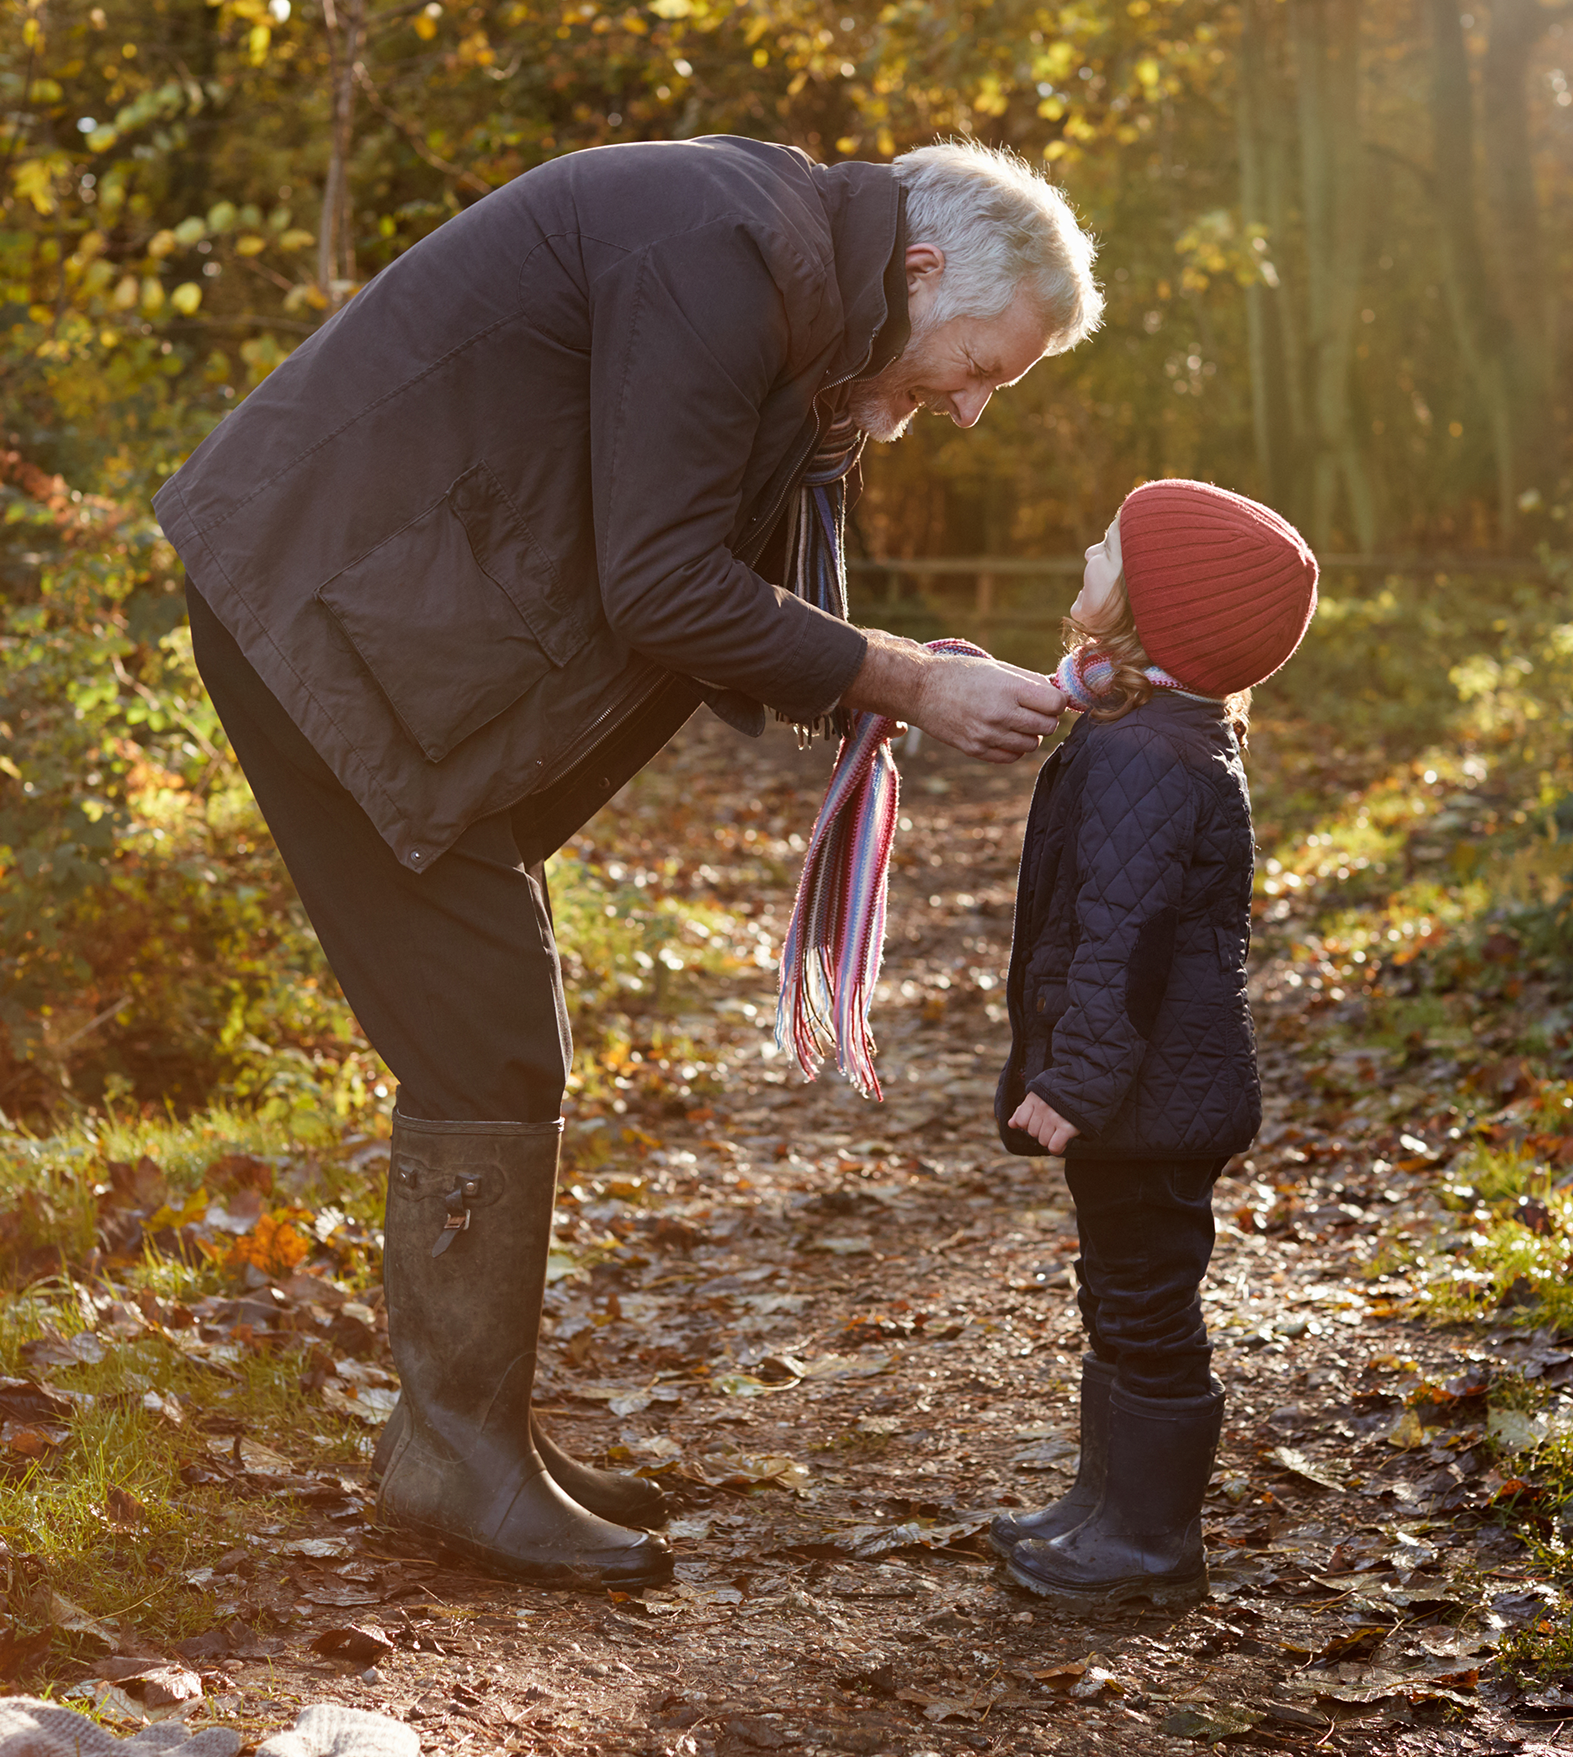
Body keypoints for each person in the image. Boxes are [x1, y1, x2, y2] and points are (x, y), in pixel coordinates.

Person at [154, 133, 1099, 1590]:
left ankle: (468, 1429)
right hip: (315, 608)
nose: (968, 407)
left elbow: (739, 555)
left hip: (391, 623)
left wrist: (879, 670)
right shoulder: (719, 255)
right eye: (977, 363)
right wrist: (901, 679)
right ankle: (453, 1454)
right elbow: (658, 579)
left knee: (497, 1025)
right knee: (488, 1036)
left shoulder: (794, 287)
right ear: (918, 273)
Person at [990, 478, 1318, 1603]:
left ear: (1153, 608)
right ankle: (1103, 1504)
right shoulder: (1153, 725)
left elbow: (1119, 941)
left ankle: (1149, 1543)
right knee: (1118, 1288)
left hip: (1143, 1100)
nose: (1087, 551)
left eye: (1107, 547)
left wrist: (1074, 1081)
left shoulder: (1147, 755)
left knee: (1144, 1301)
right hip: (1146, 1094)